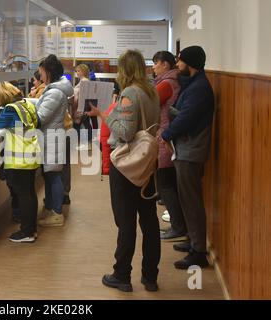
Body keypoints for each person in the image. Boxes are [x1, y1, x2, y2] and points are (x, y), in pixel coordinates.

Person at [89, 50, 161, 292]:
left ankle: (122, 275)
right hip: (147, 163)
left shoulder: (130, 93)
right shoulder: (152, 91)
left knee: (126, 221)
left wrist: (103, 116)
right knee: (149, 220)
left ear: (126, 70)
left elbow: (126, 132)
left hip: (128, 164)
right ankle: (150, 276)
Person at [161, 46, 214, 269]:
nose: (177, 65)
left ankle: (198, 251)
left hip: (190, 151)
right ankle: (193, 241)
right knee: (187, 198)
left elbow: (186, 117)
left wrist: (167, 133)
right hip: (186, 148)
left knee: (191, 202)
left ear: (190, 64)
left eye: (180, 61)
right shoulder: (193, 83)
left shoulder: (199, 88)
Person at [0, 82, 41, 243]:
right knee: (30, 194)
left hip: (19, 159)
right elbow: (38, 122)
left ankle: (26, 232)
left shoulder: (11, 109)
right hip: (30, 154)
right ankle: (31, 229)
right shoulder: (26, 105)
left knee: (24, 196)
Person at [152, 51, 188, 242]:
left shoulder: (167, 83)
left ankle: (177, 226)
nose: (153, 67)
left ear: (165, 64)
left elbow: (151, 103)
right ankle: (178, 224)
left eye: (156, 63)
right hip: (168, 135)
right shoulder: (173, 80)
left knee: (166, 184)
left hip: (165, 137)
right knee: (168, 184)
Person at [36, 55, 74, 227]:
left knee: (54, 176)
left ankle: (57, 213)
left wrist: (28, 111)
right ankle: (52, 208)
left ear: (49, 72)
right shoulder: (55, 89)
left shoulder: (55, 92)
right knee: (50, 175)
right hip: (51, 136)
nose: (40, 75)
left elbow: (41, 116)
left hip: (52, 137)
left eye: (41, 72)